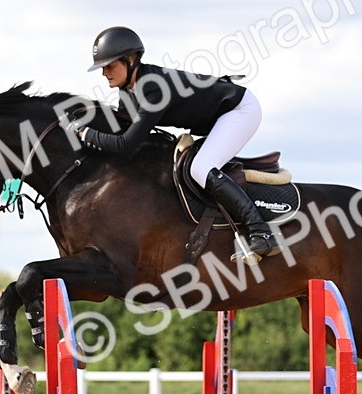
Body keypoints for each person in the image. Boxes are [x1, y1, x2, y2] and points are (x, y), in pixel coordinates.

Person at [69, 26, 279, 259]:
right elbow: (122, 130)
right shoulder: (128, 91)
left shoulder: (153, 88)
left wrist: (86, 134)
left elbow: (126, 144)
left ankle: (261, 232)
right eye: (102, 68)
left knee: (200, 168)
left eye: (109, 66)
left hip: (239, 111)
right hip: (219, 117)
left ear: (130, 60)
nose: (104, 73)